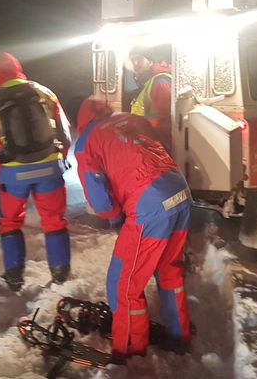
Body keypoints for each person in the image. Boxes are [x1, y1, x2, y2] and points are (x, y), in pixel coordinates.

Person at [74, 97, 192, 360]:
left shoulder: (86, 142)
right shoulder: (133, 119)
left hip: (150, 207)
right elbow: (161, 146)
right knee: (169, 271)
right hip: (180, 192)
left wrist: (115, 215)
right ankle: (179, 338)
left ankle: (129, 352)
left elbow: (99, 200)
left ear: (81, 122)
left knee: (123, 285)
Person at [0, 52, 72, 290]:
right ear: (18, 69)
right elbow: (66, 136)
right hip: (50, 170)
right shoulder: (45, 92)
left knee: (10, 223)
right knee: (54, 221)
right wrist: (59, 162)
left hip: (13, 176)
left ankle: (14, 277)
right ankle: (60, 276)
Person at [127, 44, 172, 151]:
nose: (135, 63)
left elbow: (169, 120)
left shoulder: (160, 82)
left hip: (158, 148)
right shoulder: (148, 83)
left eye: (139, 59)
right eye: (132, 60)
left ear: (151, 62)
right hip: (149, 146)